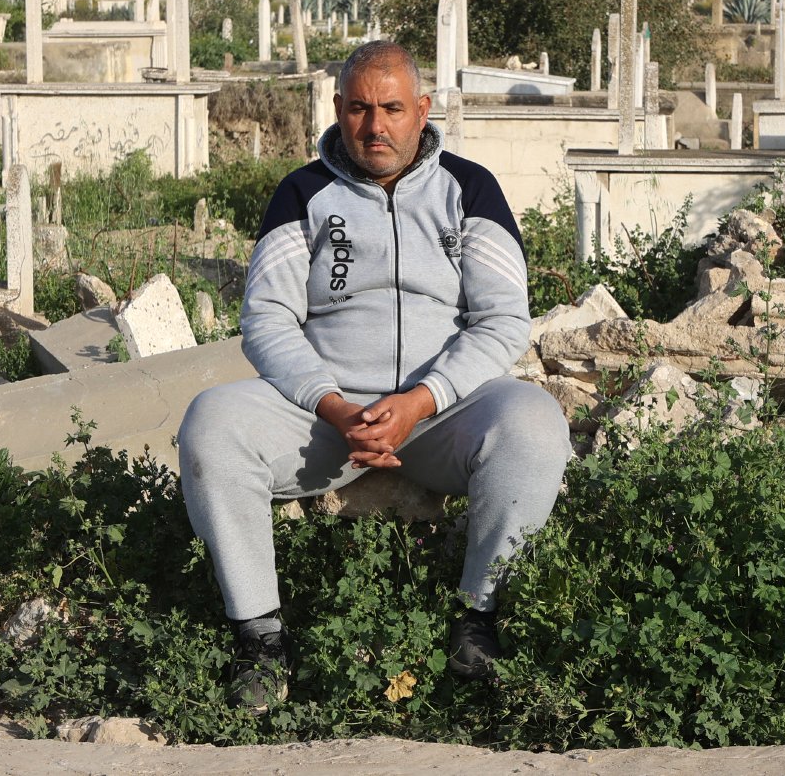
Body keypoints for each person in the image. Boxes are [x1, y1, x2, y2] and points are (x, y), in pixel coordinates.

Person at [178, 39, 572, 710]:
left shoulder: (470, 189)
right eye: (359, 108)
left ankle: (479, 620)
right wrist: (332, 405)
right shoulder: (301, 193)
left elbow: (504, 320)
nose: (375, 126)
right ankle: (260, 640)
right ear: (337, 109)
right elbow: (266, 321)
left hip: (444, 415)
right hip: (328, 419)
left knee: (536, 423)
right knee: (210, 422)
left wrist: (421, 400)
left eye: (392, 107)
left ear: (422, 110)